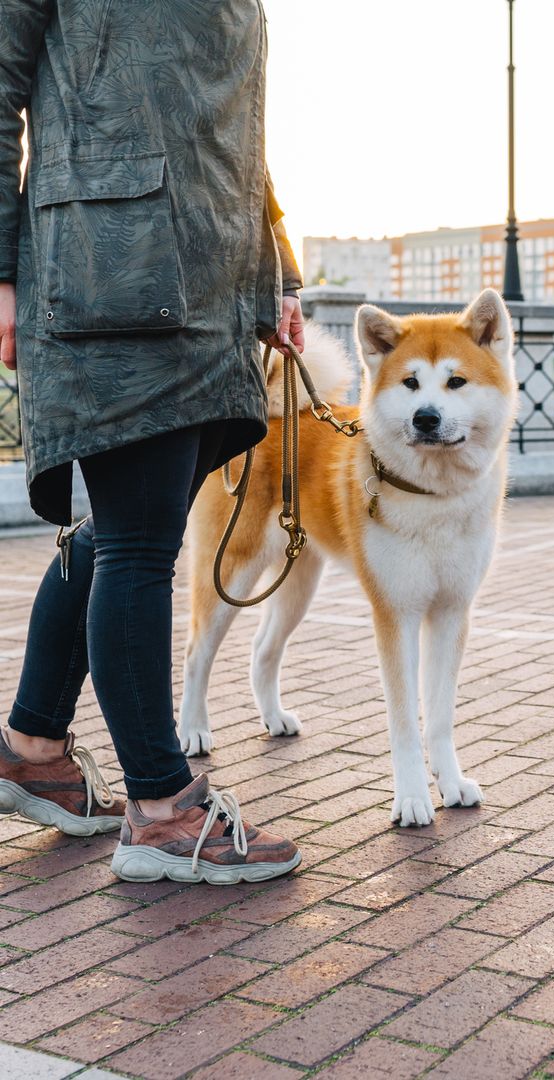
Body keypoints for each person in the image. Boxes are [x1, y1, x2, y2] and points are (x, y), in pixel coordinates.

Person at [0, 1, 305, 884]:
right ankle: (163, 812)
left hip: (213, 276)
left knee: (126, 529)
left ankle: (32, 749)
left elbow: (237, 124)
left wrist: (277, 262)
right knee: (137, 542)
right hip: (109, 266)